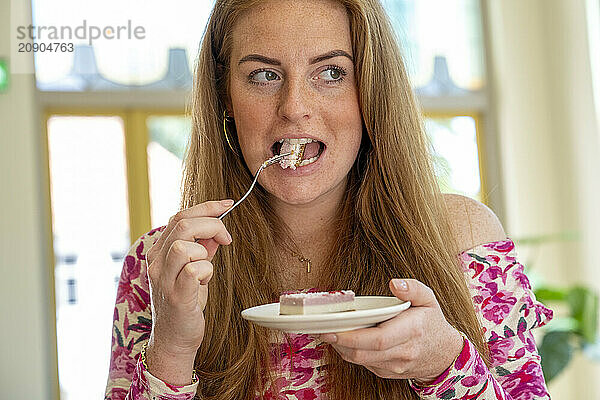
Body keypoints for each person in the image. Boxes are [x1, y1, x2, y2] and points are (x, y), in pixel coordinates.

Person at [104, 0, 554, 399]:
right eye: (263, 75)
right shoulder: (164, 265)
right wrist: (172, 350)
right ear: (225, 94)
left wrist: (446, 363)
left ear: (370, 91)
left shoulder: (463, 238)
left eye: (332, 72)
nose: (294, 106)